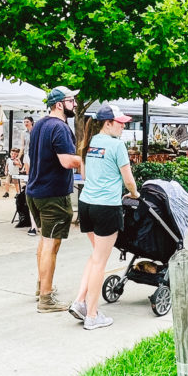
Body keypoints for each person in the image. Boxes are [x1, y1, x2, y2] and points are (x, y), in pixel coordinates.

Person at [70, 103, 138, 330]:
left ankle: (80, 301)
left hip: (87, 204)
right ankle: (91, 315)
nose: (122, 128)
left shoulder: (89, 143)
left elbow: (85, 174)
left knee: (95, 257)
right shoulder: (117, 146)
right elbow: (128, 180)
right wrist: (134, 193)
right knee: (100, 261)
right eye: (119, 123)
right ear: (108, 123)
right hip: (107, 207)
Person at [26, 87, 81, 312]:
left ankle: (42, 286)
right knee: (51, 244)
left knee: (44, 241)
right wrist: (86, 159)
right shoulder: (60, 127)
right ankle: (46, 299)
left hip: (35, 192)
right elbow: (67, 161)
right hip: (53, 195)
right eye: (72, 100)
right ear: (60, 104)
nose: (75, 104)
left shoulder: (39, 125)